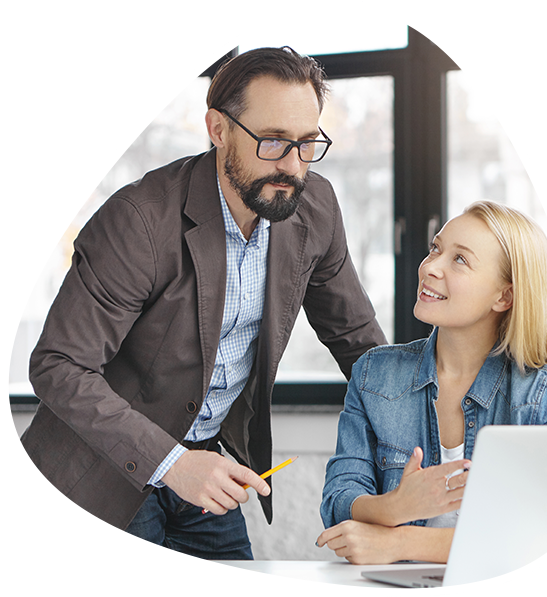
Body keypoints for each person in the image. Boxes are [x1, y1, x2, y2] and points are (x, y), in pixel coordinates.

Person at [2, 46, 387, 560]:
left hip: (204, 457)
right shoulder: (139, 220)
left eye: (307, 143)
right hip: (107, 467)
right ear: (218, 129)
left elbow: (357, 341)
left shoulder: (314, 207)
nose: (293, 166)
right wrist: (173, 464)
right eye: (273, 141)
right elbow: (58, 365)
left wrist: (424, 427)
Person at [316, 200, 547, 565]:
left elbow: (544, 536)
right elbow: (338, 501)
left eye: (460, 260)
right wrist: (395, 507)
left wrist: (400, 542)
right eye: (435, 248)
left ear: (504, 296)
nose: (430, 267)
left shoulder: (539, 393)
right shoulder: (375, 373)